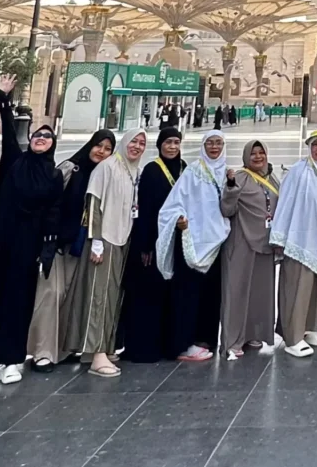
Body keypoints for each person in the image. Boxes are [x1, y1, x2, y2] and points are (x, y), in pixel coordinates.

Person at [0, 75, 64, 391]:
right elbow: (8, 131)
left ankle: (10, 360)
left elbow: (53, 212)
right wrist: (4, 99)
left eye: (46, 137)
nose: (40, 139)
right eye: (37, 135)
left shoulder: (53, 175)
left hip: (25, 243)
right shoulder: (14, 162)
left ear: (52, 144)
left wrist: (46, 247)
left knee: (16, 299)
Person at [27, 129, 116, 372]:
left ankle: (63, 349)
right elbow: (49, 203)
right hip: (56, 243)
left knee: (69, 295)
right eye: (99, 146)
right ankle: (42, 352)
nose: (102, 152)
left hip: (80, 245)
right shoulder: (71, 168)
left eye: (108, 149)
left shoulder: (105, 175)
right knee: (51, 294)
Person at [64, 127, 148, 378]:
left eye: (142, 143)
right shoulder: (107, 167)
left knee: (111, 296)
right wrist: (97, 241)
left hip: (122, 239)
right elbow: (94, 204)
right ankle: (97, 354)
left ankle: (102, 348)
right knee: (98, 297)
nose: (137, 146)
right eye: (134, 141)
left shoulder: (133, 171)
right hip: (104, 239)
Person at [155, 130, 229, 362]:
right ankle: (183, 344)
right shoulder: (193, 171)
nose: (214, 147)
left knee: (211, 295)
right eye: (210, 143)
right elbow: (174, 203)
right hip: (194, 242)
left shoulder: (228, 173)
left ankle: (205, 339)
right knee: (188, 296)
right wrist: (179, 220)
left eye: (218, 143)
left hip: (217, 243)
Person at [271, 130, 317, 357]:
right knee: (297, 288)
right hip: (300, 238)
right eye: (315, 145)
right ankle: (293, 336)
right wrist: (279, 237)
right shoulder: (298, 172)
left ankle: (309, 329)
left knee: (316, 289)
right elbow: (285, 204)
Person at [122, 127, 184, 363]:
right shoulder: (151, 170)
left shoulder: (183, 168)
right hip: (153, 242)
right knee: (147, 296)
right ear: (159, 145)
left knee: (168, 296)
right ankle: (142, 348)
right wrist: (146, 245)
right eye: (168, 142)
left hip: (175, 241)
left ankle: (166, 344)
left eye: (176, 143)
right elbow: (145, 210)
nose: (172, 147)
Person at [220, 140, 279, 358]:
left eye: (261, 152)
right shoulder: (241, 178)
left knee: (258, 292)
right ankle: (233, 340)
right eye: (252, 153)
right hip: (242, 241)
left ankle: (252, 334)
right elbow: (227, 209)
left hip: (265, 242)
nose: (257, 157)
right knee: (237, 292)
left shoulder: (271, 178)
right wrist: (230, 188)